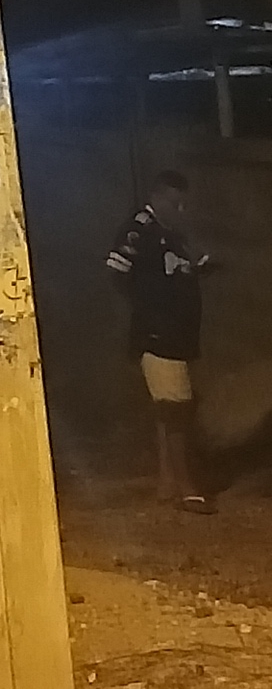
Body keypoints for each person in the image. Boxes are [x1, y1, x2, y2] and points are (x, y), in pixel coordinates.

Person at [105, 168, 210, 512]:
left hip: (178, 335)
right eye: (175, 203)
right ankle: (186, 486)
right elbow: (117, 273)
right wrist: (151, 308)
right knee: (176, 410)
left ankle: (167, 482)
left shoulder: (172, 235)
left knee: (168, 411)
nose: (180, 210)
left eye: (184, 204)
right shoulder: (140, 231)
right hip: (158, 334)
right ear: (157, 196)